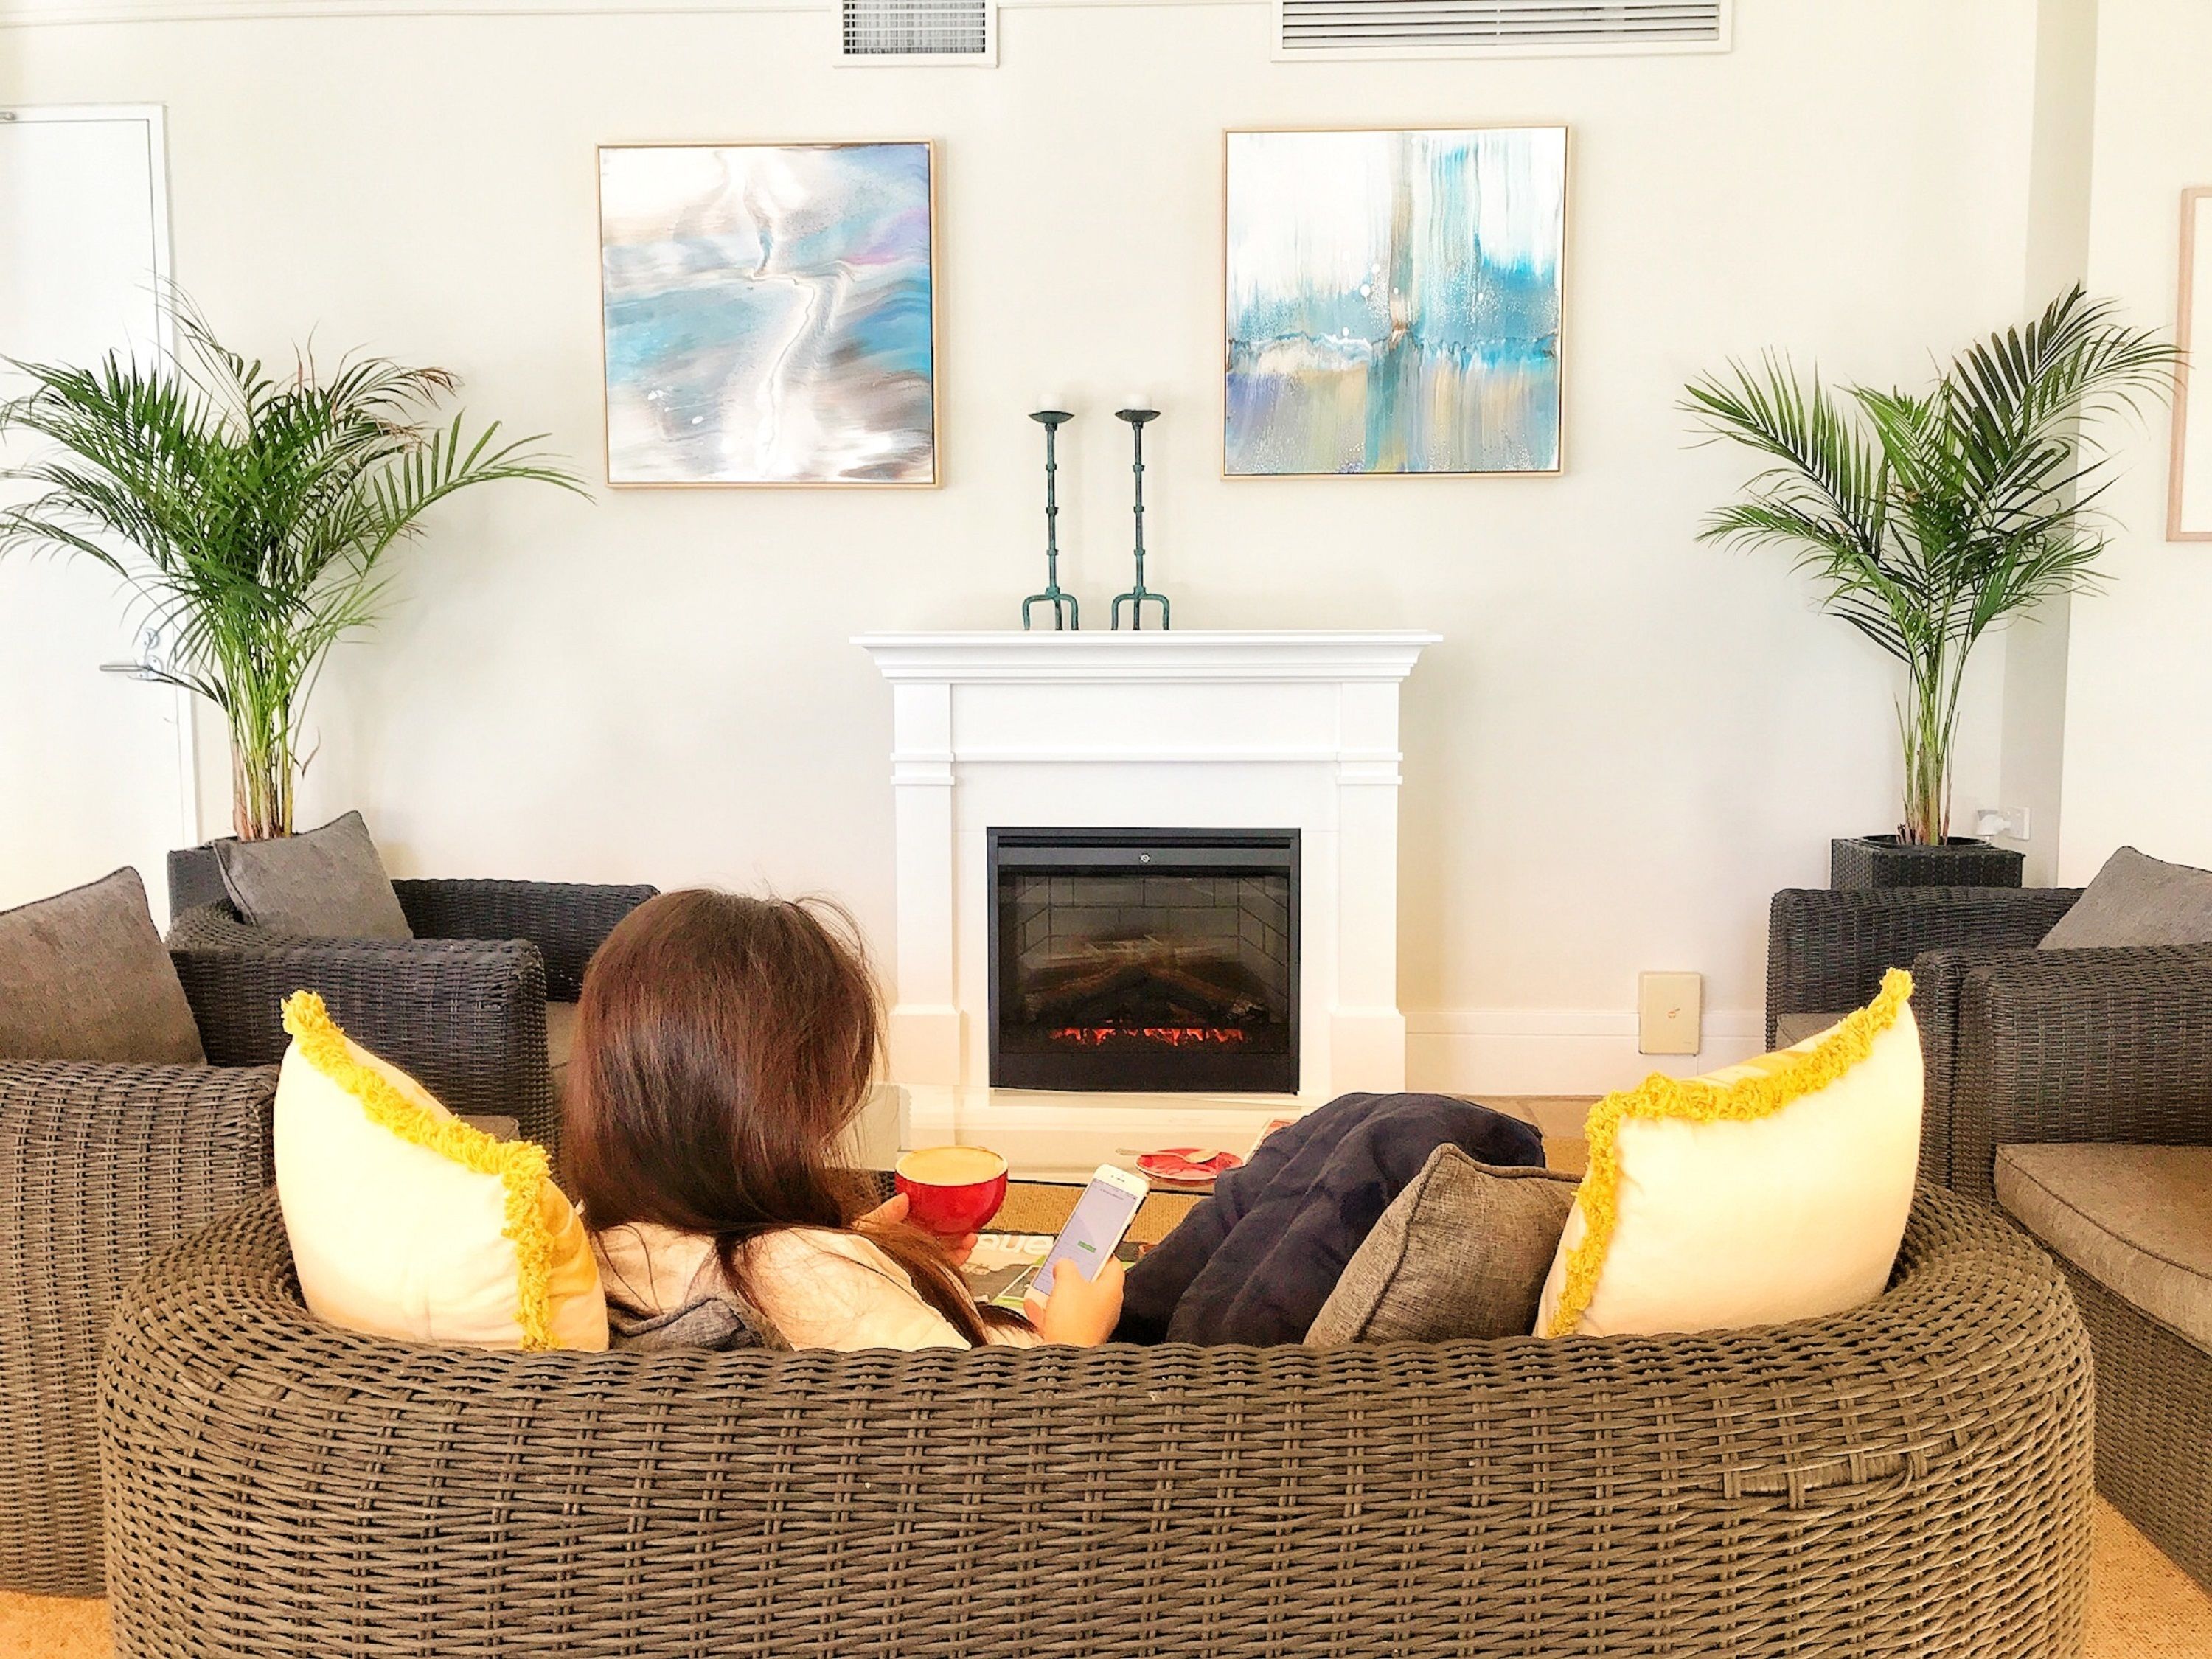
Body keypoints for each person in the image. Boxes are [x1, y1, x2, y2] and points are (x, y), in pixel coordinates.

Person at [564, 888, 1124, 1352]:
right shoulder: (810, 1280)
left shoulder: (580, 1244)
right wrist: (1074, 1346)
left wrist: (866, 1246)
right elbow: (1003, 1444)